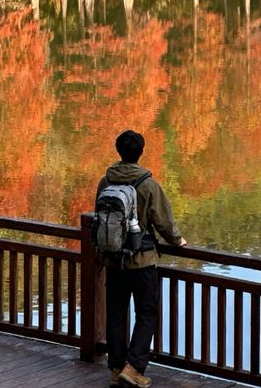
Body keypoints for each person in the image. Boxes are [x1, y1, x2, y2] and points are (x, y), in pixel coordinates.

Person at [96, 130, 186, 388]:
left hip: (113, 260)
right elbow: (163, 221)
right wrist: (177, 240)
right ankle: (134, 367)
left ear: (119, 151)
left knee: (115, 312)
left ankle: (115, 367)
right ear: (140, 152)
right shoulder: (147, 184)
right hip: (142, 261)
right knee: (147, 312)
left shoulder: (106, 181)